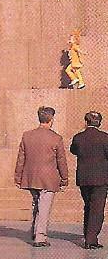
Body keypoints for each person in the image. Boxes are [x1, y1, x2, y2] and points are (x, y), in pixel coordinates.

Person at [14, 106, 69, 247]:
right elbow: (61, 160)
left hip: (31, 176)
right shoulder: (56, 138)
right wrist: (64, 178)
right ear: (51, 119)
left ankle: (35, 230)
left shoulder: (27, 135)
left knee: (37, 204)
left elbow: (21, 158)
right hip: (48, 178)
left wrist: (18, 177)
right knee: (44, 207)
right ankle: (40, 236)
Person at [69, 111, 108, 249]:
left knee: (88, 206)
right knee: (97, 209)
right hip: (101, 179)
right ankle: (91, 239)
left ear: (86, 122)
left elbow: (73, 150)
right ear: (99, 123)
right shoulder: (105, 138)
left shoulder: (78, 137)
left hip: (84, 178)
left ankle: (88, 234)